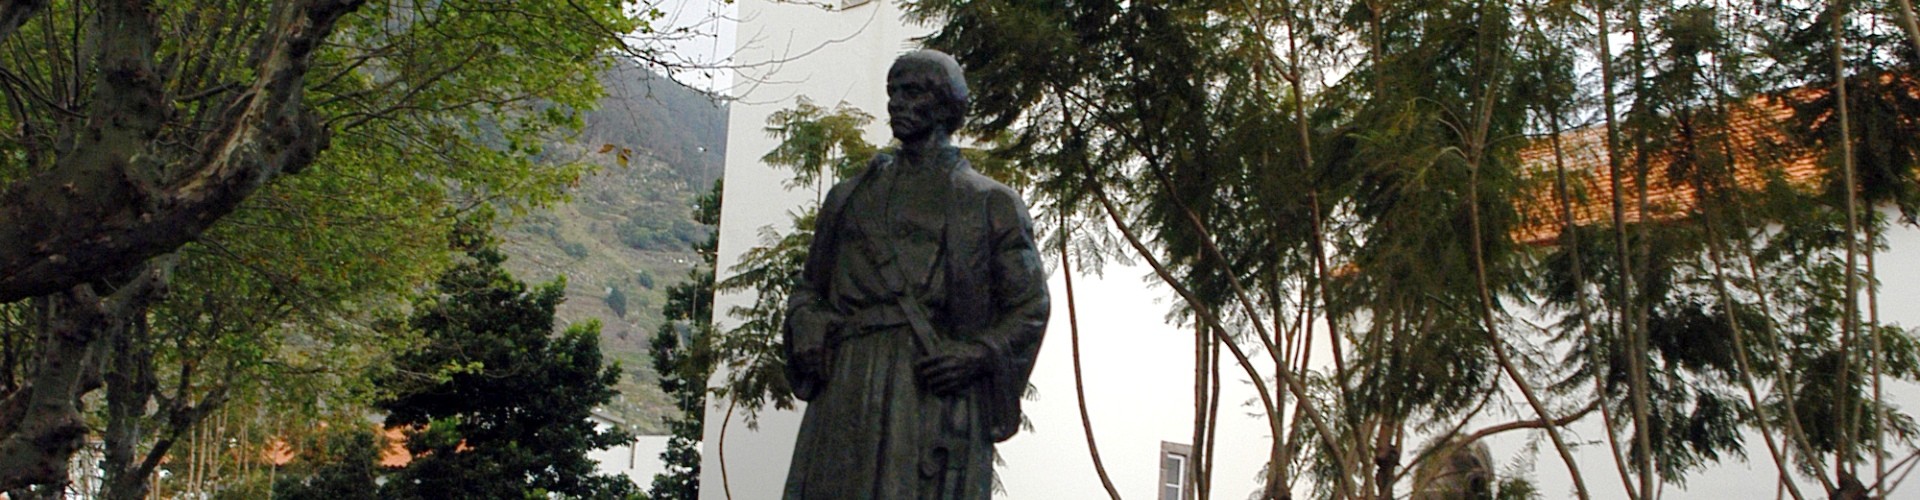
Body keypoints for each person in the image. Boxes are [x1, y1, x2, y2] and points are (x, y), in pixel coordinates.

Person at [780, 49, 1050, 500]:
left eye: (912, 92)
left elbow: (1030, 306)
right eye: (893, 92)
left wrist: (978, 354)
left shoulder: (988, 201)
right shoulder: (851, 196)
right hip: (848, 381)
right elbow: (809, 288)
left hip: (929, 386)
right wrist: (807, 324)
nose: (897, 103)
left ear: (946, 104)